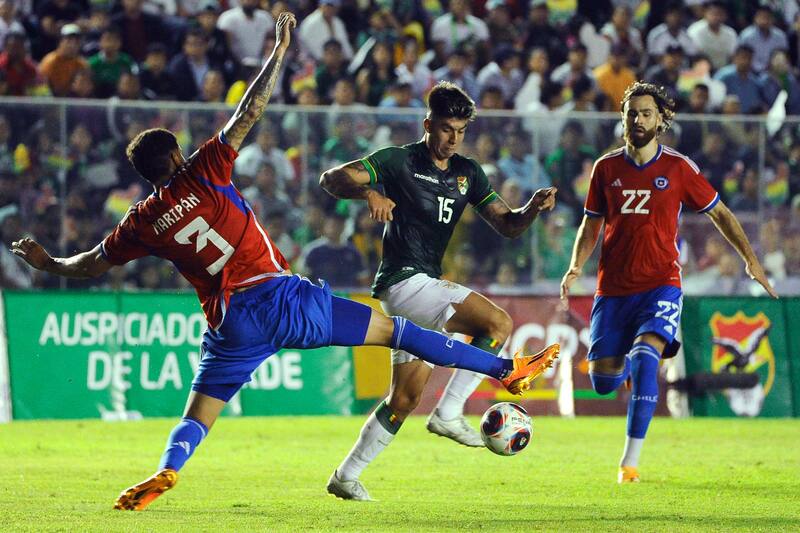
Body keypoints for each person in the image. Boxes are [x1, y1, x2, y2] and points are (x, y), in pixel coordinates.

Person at [11, 13, 556, 511]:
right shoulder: (204, 170)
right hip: (282, 297)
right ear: (177, 156)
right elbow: (250, 110)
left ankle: (167, 470)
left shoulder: (140, 221)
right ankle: (502, 369)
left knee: (197, 415)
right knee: (401, 333)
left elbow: (90, 264)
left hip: (230, 324)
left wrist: (46, 261)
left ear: (145, 176)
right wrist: (278, 51)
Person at [319, 81, 559, 501]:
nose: (453, 138)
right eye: (447, 128)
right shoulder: (397, 161)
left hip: (422, 285)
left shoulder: (468, 173)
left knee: (405, 398)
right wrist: (370, 191)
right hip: (403, 280)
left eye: (461, 130)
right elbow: (331, 179)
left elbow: (506, 224)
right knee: (497, 322)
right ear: (428, 123)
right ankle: (449, 411)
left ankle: (346, 475)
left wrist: (532, 210)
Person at [560, 81, 777, 485]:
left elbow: (722, 214)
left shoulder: (678, 168)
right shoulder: (605, 169)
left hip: (661, 284)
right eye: (631, 113)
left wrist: (750, 259)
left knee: (646, 357)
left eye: (646, 113)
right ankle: (623, 367)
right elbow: (592, 223)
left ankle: (630, 463)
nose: (638, 120)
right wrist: (575, 266)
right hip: (613, 290)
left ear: (660, 120)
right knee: (603, 382)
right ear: (622, 119)